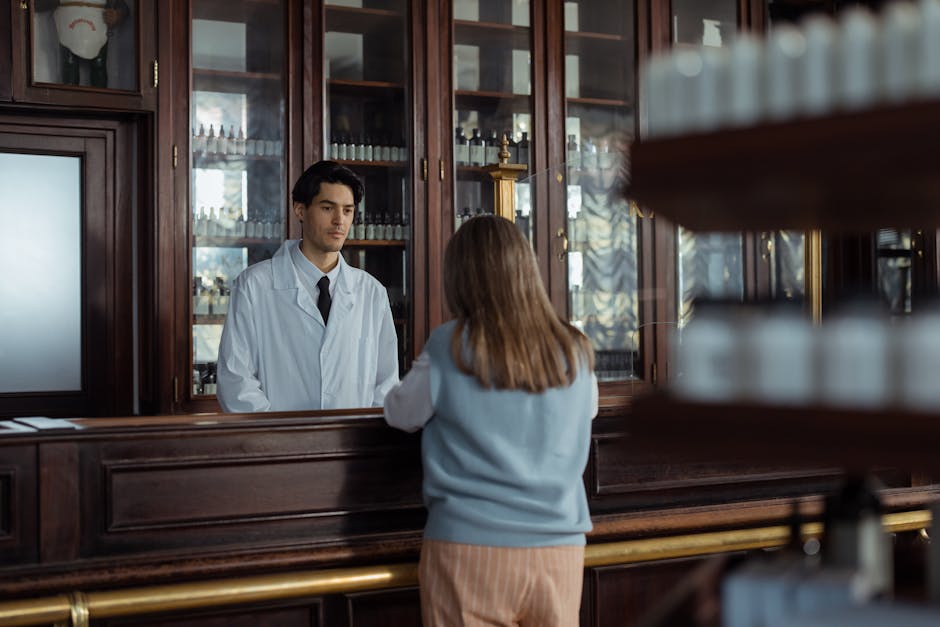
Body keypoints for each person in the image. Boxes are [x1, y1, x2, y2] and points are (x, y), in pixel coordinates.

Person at [384, 215, 598, 627]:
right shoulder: (575, 348)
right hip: (558, 550)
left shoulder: (449, 343)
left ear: (459, 277)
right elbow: (585, 411)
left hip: (469, 545)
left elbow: (399, 413)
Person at [217, 160, 399, 412]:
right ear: (300, 210)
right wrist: (284, 440)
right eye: (327, 208)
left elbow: (386, 384)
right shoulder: (254, 285)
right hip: (279, 446)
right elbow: (236, 382)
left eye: (347, 210)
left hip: (354, 444)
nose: (339, 221)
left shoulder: (371, 292)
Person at [36, 0, 130, 88]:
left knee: (98, 65)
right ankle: (70, 96)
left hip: (97, 26)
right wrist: (24, 5)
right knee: (69, 65)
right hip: (68, 25)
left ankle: (100, 99)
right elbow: (36, 4)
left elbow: (122, 6)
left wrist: (117, 15)